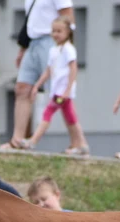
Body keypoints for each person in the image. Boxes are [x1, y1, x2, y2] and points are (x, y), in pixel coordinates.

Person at [3, 0, 75, 151]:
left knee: (59, 94)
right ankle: (17, 140)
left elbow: (68, 18)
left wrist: (65, 48)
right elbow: (31, 20)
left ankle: (77, 141)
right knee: (22, 88)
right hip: (32, 42)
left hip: (52, 41)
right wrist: (23, 49)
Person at [25, 17, 89, 156]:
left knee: (47, 113)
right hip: (57, 90)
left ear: (67, 32)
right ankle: (80, 144)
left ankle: (33, 141)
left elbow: (73, 69)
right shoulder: (54, 50)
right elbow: (48, 70)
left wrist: (67, 90)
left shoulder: (69, 49)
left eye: (59, 31)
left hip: (63, 91)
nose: (55, 34)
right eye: (53, 31)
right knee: (71, 118)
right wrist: (37, 85)